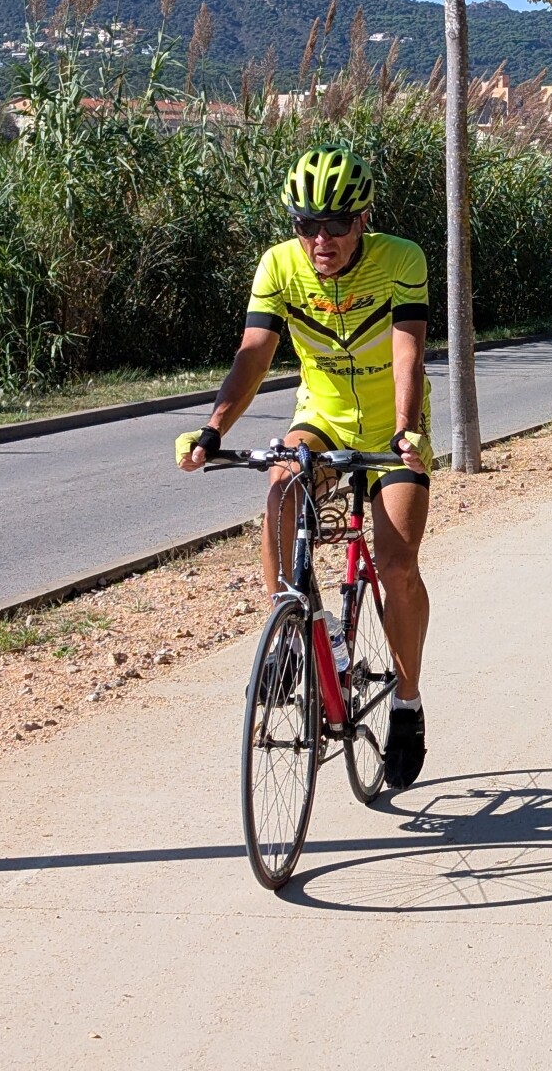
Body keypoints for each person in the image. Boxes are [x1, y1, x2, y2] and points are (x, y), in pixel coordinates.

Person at [175, 145, 432, 789]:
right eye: (306, 224)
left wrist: (406, 429)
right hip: (323, 415)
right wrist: (213, 429)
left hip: (392, 425)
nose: (321, 239)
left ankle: (406, 705)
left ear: (362, 220)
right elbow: (253, 354)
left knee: (397, 566)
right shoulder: (280, 266)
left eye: (336, 225)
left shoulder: (402, 259)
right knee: (283, 483)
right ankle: (292, 630)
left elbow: (408, 351)